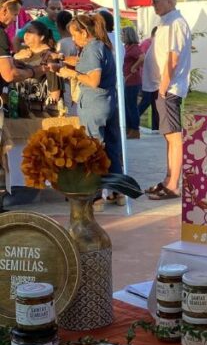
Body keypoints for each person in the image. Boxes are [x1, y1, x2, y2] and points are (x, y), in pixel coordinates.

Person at [56, 12, 124, 203]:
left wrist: (70, 74)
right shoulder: (101, 45)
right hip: (108, 103)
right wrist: (63, 60)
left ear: (84, 32)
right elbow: (84, 63)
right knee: (111, 147)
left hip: (94, 105)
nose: (74, 39)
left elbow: (93, 80)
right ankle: (118, 192)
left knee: (93, 149)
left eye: (75, 35)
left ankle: (96, 196)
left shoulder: (92, 49)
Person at [143, 0, 192, 200]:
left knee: (174, 137)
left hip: (169, 89)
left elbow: (173, 57)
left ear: (170, 1)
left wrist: (163, 86)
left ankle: (174, 184)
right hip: (162, 88)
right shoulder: (166, 22)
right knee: (169, 137)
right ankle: (168, 179)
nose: (153, 5)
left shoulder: (175, 23)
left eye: (156, 1)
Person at [12, 20, 63, 114]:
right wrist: (15, 57)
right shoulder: (21, 54)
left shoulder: (49, 56)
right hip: (19, 110)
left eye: (30, 32)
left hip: (40, 113)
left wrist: (52, 112)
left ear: (42, 37)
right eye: (26, 31)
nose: (26, 35)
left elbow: (55, 90)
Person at [122, 25, 143, 139]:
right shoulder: (126, 47)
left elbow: (142, 57)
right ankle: (129, 128)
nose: (121, 36)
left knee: (131, 106)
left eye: (123, 34)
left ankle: (135, 130)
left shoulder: (134, 47)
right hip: (126, 80)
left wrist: (134, 67)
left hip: (132, 80)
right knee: (127, 106)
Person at [138, 25, 159, 131]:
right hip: (146, 78)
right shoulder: (146, 44)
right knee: (146, 101)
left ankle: (156, 127)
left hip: (155, 80)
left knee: (155, 104)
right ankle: (132, 120)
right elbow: (141, 59)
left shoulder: (158, 45)